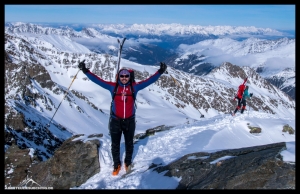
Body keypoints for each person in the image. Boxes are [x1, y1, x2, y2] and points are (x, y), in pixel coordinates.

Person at [78, 61, 167, 175]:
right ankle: (116, 165)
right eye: (122, 76)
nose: (124, 78)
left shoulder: (134, 87)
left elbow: (148, 81)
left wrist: (160, 72)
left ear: (129, 77)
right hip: (116, 121)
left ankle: (128, 163)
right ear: (118, 77)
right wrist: (85, 71)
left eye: (126, 76)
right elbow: (98, 81)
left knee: (129, 143)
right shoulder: (113, 87)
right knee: (115, 144)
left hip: (130, 121)